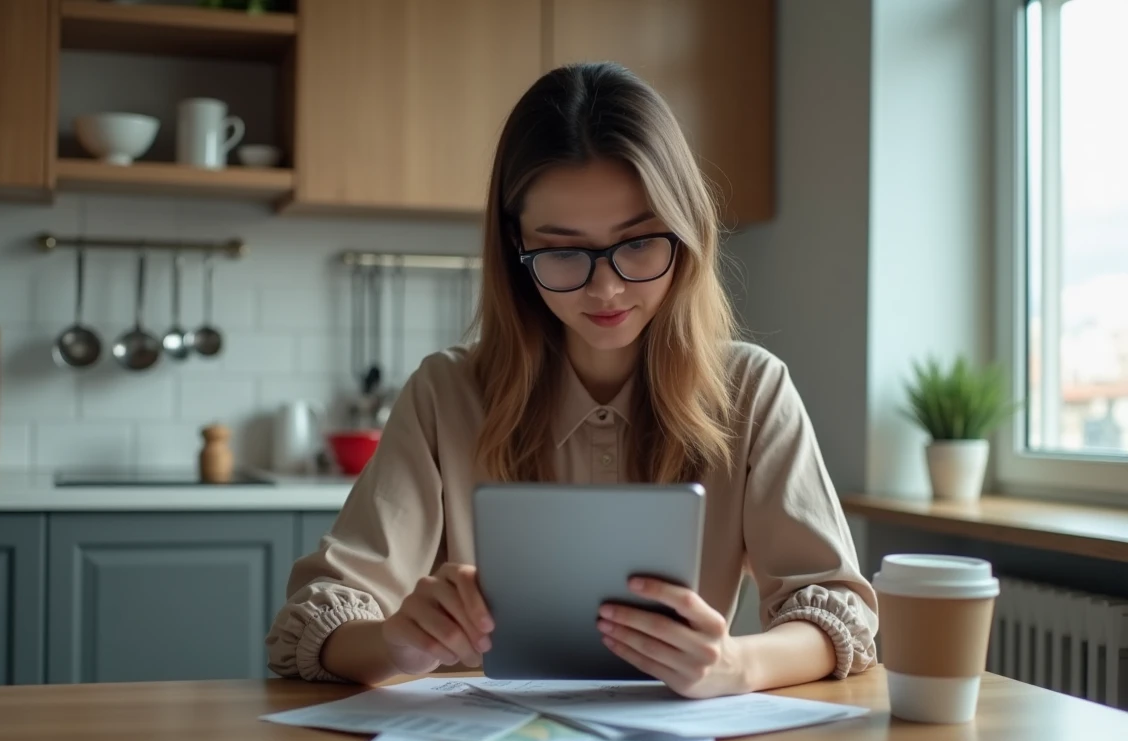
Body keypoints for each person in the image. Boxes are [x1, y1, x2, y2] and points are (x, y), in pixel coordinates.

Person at [266, 62, 878, 699]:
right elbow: (316, 620)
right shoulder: (444, 394)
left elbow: (836, 611)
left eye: (639, 243)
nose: (606, 287)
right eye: (562, 251)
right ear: (516, 248)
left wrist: (736, 665)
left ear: (687, 233)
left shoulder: (752, 389)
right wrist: (395, 641)